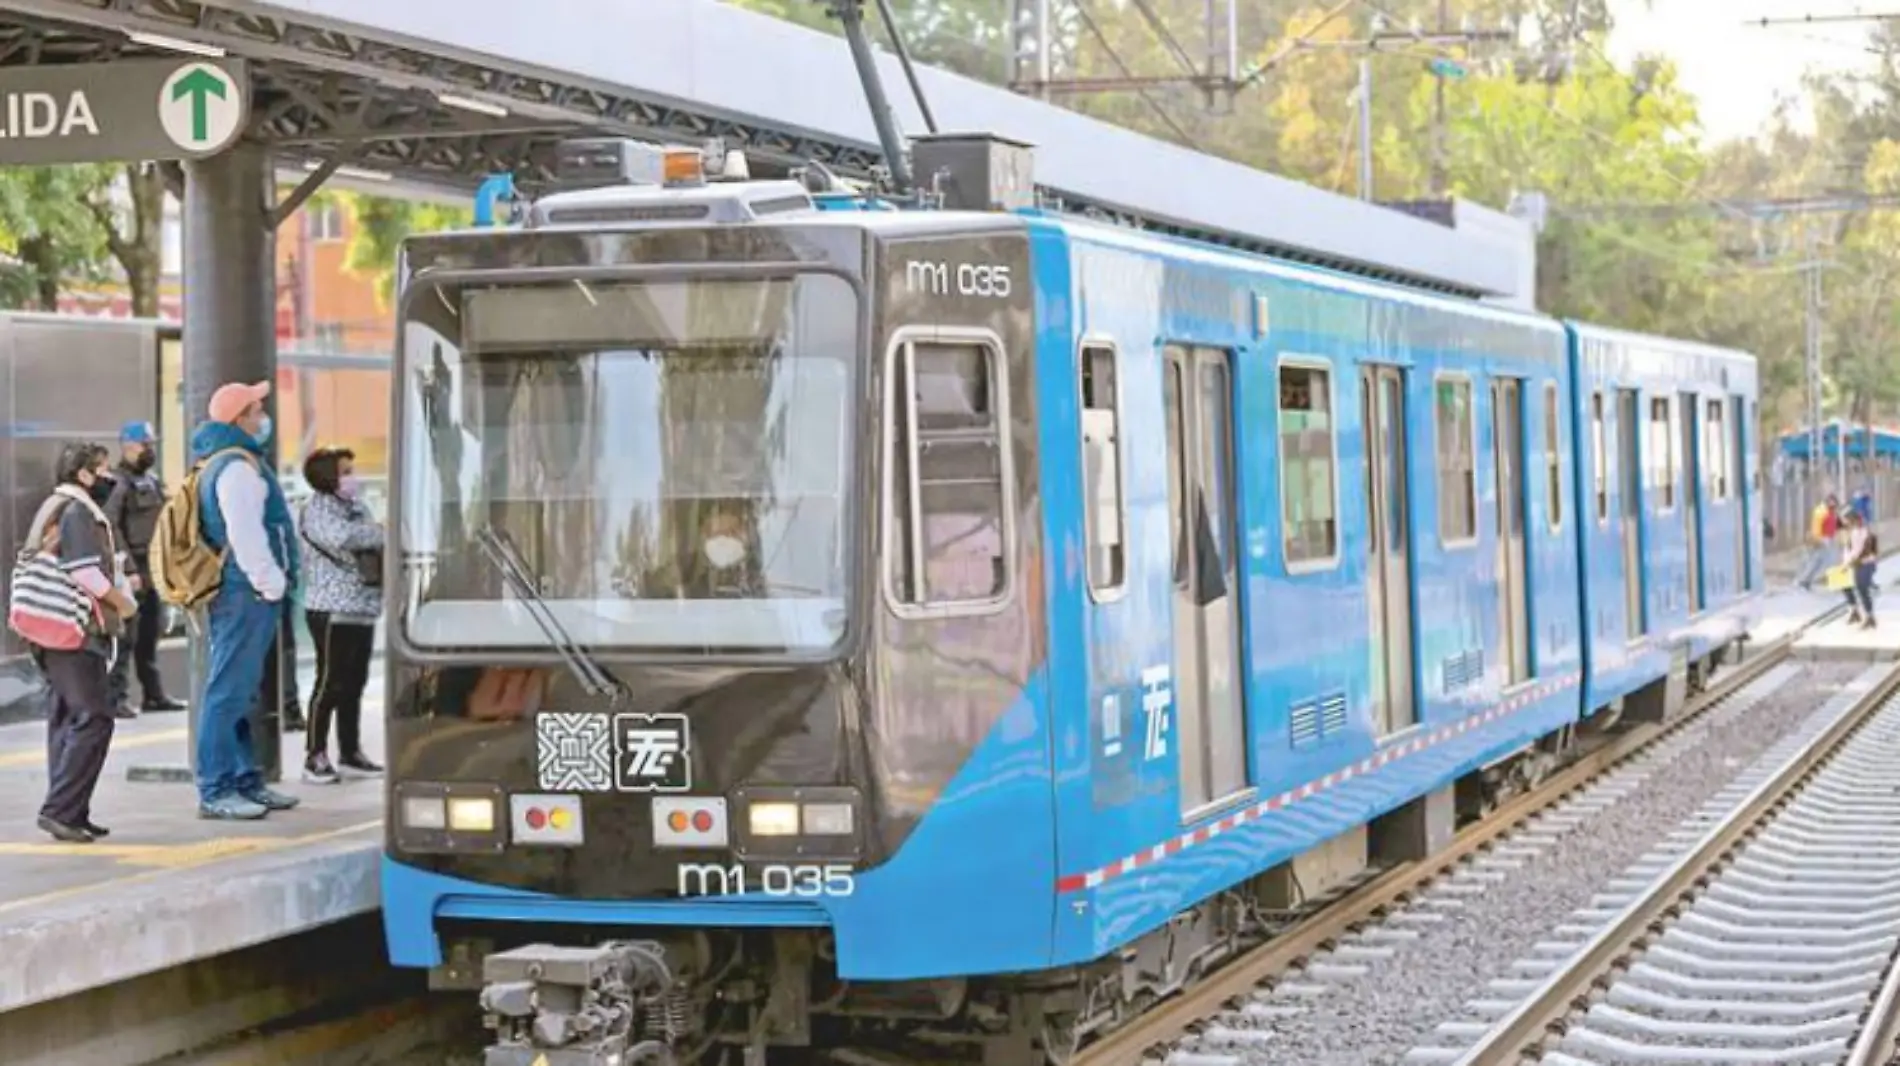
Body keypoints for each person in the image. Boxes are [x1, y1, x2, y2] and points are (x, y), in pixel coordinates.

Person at [190, 381, 301, 820]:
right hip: (246, 591)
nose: (263, 418)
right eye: (257, 410)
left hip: (244, 591)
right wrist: (270, 583)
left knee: (239, 692)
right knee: (227, 693)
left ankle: (245, 780)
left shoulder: (231, 462)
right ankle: (215, 789)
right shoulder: (236, 469)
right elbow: (246, 534)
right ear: (239, 419)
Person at [26, 443, 138, 842]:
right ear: (85, 474)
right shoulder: (77, 511)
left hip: (49, 629)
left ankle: (72, 812)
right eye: (102, 470)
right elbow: (84, 572)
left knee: (67, 718)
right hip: (73, 629)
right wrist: (122, 603)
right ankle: (60, 809)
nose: (108, 478)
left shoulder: (55, 505)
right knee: (95, 717)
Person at [296, 446, 385, 784]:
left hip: (361, 605)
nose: (352, 477)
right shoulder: (318, 510)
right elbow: (344, 537)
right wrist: (380, 531)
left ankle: (350, 751)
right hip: (331, 608)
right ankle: (314, 756)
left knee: (354, 683)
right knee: (330, 682)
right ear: (328, 477)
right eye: (345, 471)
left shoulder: (355, 506)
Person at [104, 421, 187, 716]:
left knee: (150, 635)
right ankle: (117, 697)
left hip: (153, 569)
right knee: (127, 637)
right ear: (127, 447)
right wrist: (127, 568)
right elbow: (110, 525)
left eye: (152, 445)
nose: (150, 450)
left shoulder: (152, 481)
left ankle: (154, 694)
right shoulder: (118, 484)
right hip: (133, 570)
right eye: (145, 445)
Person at [1842, 508, 1879, 629]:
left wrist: (1847, 564)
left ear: (1852, 519)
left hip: (1865, 563)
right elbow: (1848, 549)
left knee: (1862, 588)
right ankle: (1855, 611)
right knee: (1845, 586)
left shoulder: (1861, 531)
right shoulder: (1852, 531)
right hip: (1856, 563)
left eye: (1846, 520)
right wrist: (1845, 562)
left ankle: (1869, 617)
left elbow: (1857, 551)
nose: (1845, 522)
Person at [1798, 494, 1840, 591]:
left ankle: (1806, 581)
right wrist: (1818, 540)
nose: (1833, 504)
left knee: (1819, 561)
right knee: (1827, 560)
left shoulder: (1831, 511)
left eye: (1834, 502)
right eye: (1831, 501)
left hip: (1829, 538)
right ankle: (1805, 581)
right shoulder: (1820, 511)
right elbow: (1816, 528)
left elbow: (1834, 526)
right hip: (1823, 539)